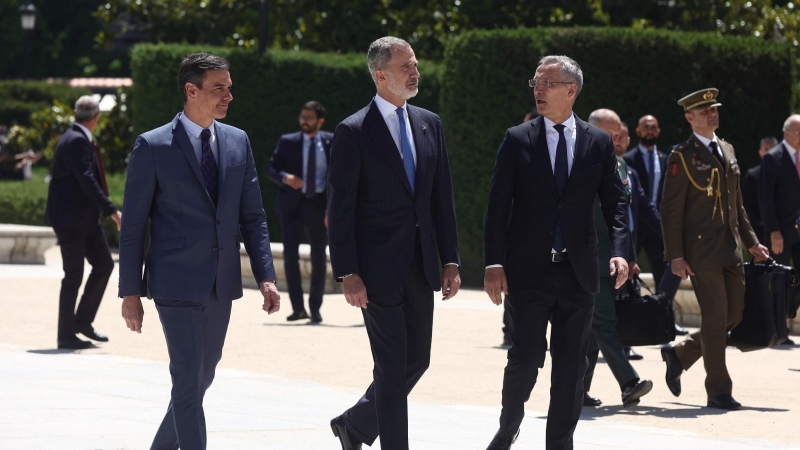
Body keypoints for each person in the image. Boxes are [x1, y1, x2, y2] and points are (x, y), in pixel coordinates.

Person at [117, 53, 280, 449]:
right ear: (191, 90)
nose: (228, 95)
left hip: (221, 281)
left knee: (201, 378)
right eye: (218, 88)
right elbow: (134, 225)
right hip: (175, 282)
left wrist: (267, 277)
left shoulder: (238, 140)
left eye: (229, 87)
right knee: (188, 379)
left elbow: (253, 216)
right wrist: (130, 293)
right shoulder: (152, 145)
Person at [483, 55, 629, 449]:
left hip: (578, 274)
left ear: (571, 90)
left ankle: (559, 443)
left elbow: (615, 203)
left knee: (572, 367)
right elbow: (498, 206)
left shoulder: (598, 142)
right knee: (526, 359)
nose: (537, 89)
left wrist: (618, 250)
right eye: (535, 82)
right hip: (527, 273)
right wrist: (494, 264)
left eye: (546, 83)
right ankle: (508, 427)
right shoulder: (517, 139)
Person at [326, 37, 461, 450]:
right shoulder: (352, 131)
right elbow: (341, 209)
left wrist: (451, 260)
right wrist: (348, 272)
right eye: (407, 67)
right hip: (376, 270)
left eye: (415, 65)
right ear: (381, 75)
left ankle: (356, 425)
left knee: (417, 360)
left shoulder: (429, 122)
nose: (415, 73)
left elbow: (442, 198)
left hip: (422, 266)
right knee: (390, 367)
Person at [660, 88, 769, 411]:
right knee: (716, 316)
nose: (712, 114)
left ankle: (680, 354)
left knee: (733, 315)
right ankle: (718, 390)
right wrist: (675, 255)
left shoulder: (728, 149)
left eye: (714, 109)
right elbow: (671, 210)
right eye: (704, 111)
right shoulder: (681, 155)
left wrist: (751, 242)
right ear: (689, 117)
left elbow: (738, 206)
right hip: (701, 252)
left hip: (731, 249)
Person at [582, 109, 656, 409]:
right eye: (611, 134)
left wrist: (627, 255)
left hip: (613, 258)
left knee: (591, 331)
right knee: (604, 321)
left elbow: (625, 217)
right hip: (591, 258)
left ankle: (578, 389)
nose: (616, 140)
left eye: (618, 135)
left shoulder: (621, 166)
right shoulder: (582, 163)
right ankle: (629, 382)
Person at [44, 95, 121, 350]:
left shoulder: (73, 137)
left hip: (84, 219)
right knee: (73, 274)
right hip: (71, 220)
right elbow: (87, 179)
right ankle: (65, 335)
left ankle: (82, 322)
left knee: (104, 264)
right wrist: (112, 211)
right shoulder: (76, 140)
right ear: (96, 118)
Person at [266, 101, 332, 323]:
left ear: (320, 121)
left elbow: (337, 178)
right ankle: (297, 308)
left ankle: (315, 308)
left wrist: (330, 209)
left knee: (319, 259)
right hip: (291, 206)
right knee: (290, 258)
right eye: (302, 117)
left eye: (309, 118)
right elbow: (271, 169)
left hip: (318, 206)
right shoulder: (288, 141)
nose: (304, 121)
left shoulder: (331, 141)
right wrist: (286, 178)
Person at [624, 115, 688, 337]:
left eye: (653, 128)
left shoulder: (666, 159)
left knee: (667, 273)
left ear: (658, 131)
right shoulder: (628, 160)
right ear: (638, 131)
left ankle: (664, 321)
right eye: (645, 128)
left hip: (659, 225)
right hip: (635, 226)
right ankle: (630, 323)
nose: (650, 131)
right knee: (629, 275)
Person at [743, 136, 777, 243]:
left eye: (773, 149)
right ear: (760, 152)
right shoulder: (752, 175)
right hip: (761, 228)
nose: (770, 152)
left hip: (784, 226)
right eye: (766, 150)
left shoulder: (787, 174)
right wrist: (760, 221)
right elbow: (746, 202)